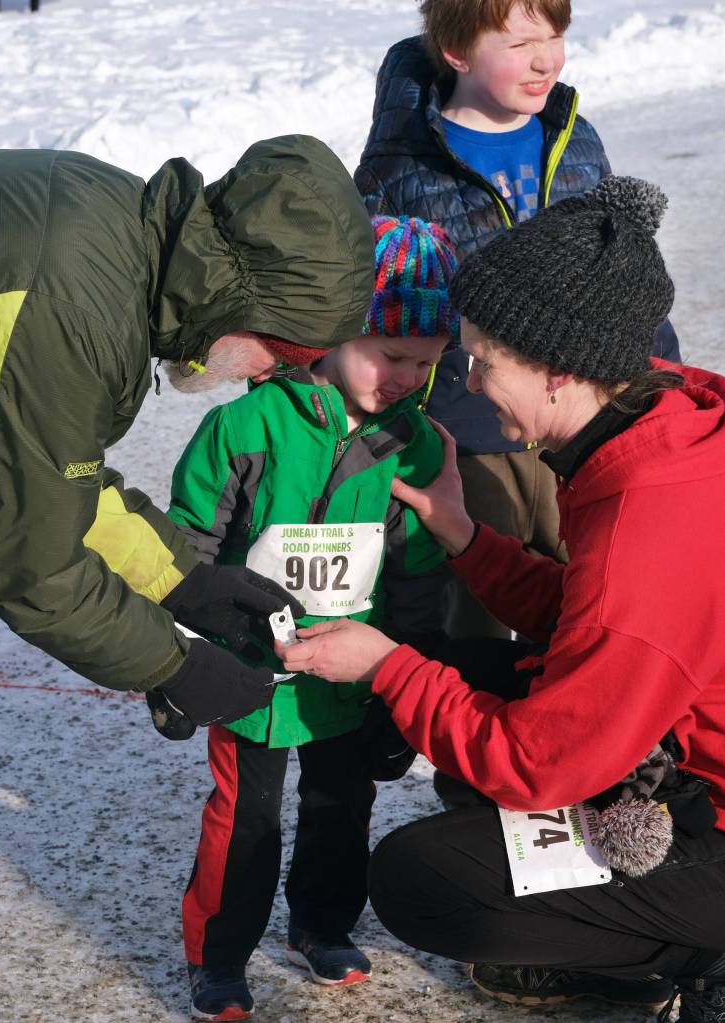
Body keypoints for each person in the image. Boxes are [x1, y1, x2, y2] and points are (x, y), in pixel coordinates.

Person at [0, 135, 374, 1023]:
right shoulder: (70, 297)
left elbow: (52, 477)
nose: (265, 377)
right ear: (240, 296)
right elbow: (32, 566)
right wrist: (170, 666)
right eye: (282, 354)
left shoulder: (120, 236)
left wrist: (187, 582)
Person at [276, 176, 725, 1023]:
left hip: (711, 812)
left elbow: (540, 762)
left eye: (482, 361)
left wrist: (386, 668)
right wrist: (463, 532)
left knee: (426, 880)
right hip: (684, 734)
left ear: (559, 369)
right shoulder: (659, 425)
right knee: (459, 672)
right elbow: (597, 624)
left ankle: (693, 950)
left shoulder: (647, 519)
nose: (468, 383)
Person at [166, 215, 456, 1021]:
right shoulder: (245, 425)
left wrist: (412, 663)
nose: (405, 376)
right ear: (333, 331)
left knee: (341, 801)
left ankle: (321, 923)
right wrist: (182, 655)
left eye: (425, 365)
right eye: (391, 354)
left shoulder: (414, 446)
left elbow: (416, 570)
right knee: (243, 814)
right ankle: (218, 952)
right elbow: (186, 545)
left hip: (352, 668)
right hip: (250, 667)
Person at [354, 0, 682, 640]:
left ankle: (578, 725)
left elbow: (619, 265)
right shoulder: (400, 166)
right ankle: (475, 728)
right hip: (469, 427)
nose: (547, 59)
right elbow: (366, 300)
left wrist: (658, 371)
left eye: (556, 35)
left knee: (591, 597)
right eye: (520, 43)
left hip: (582, 421)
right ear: (458, 53)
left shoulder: (575, 136)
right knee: (477, 602)